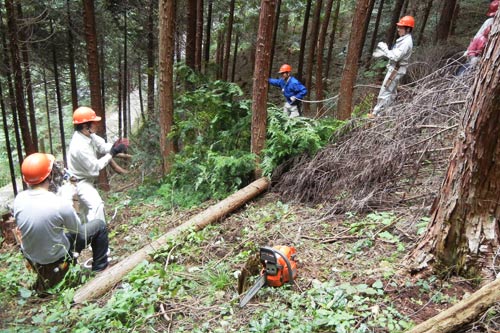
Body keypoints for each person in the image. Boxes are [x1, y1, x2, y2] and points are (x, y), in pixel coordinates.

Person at [14, 153, 109, 292]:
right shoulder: (59, 203)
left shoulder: (19, 199)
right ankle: (100, 271)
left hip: (34, 259)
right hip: (57, 259)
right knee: (99, 226)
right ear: (50, 175)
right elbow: (76, 230)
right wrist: (68, 200)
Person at [68, 106, 128, 223]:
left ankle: (88, 237)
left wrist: (115, 146)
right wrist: (113, 153)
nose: (97, 124)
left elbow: (102, 146)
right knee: (97, 206)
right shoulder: (79, 147)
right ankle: (98, 234)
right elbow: (95, 167)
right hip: (80, 183)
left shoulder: (88, 135)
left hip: (84, 180)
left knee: (84, 216)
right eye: (94, 123)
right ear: (86, 126)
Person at [370, 16, 414, 117]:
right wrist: (384, 53)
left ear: (408, 29)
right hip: (396, 69)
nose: (398, 29)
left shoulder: (406, 42)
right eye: (399, 27)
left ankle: (376, 115)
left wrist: (384, 49)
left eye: (401, 27)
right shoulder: (404, 40)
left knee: (385, 92)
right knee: (391, 92)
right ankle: (388, 114)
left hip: (396, 70)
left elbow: (395, 56)